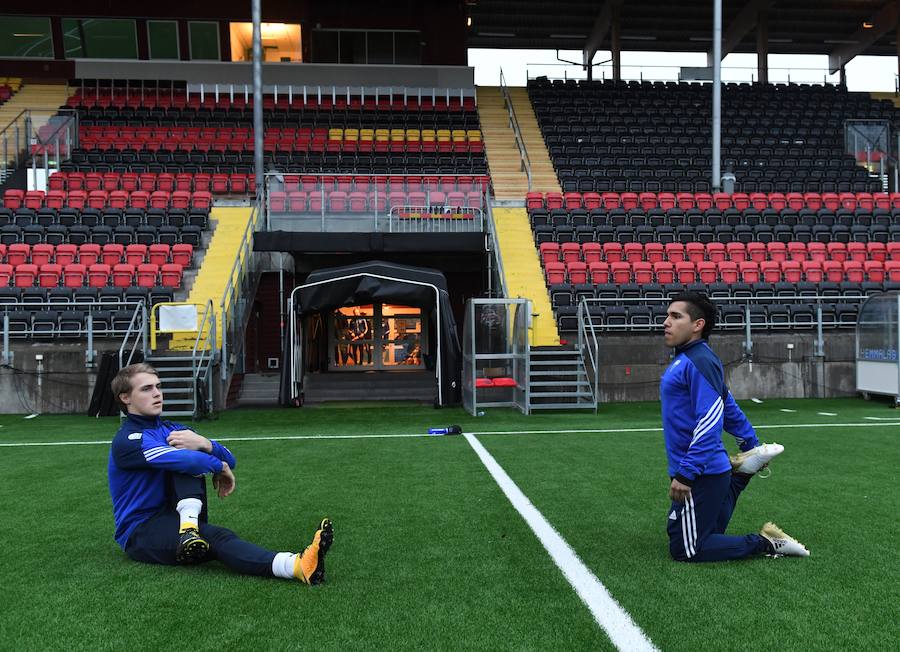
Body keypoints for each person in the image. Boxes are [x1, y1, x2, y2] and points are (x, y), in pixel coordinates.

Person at [107, 362, 334, 583]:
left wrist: (204, 442)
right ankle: (297, 566)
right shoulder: (128, 441)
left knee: (190, 456)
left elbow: (230, 458)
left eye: (158, 386)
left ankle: (189, 529)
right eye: (147, 389)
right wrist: (219, 466)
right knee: (215, 532)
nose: (157, 393)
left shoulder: (172, 429)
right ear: (125, 398)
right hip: (142, 531)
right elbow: (200, 461)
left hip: (180, 516)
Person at [660, 292, 809, 562]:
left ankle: (766, 543)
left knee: (686, 549)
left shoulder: (698, 360)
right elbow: (727, 405)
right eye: (667, 315)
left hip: (702, 472)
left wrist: (686, 474)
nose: (666, 322)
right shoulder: (691, 358)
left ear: (698, 325)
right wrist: (750, 444)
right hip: (709, 470)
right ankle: (739, 476)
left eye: (676, 316)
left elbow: (711, 418)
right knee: (694, 532)